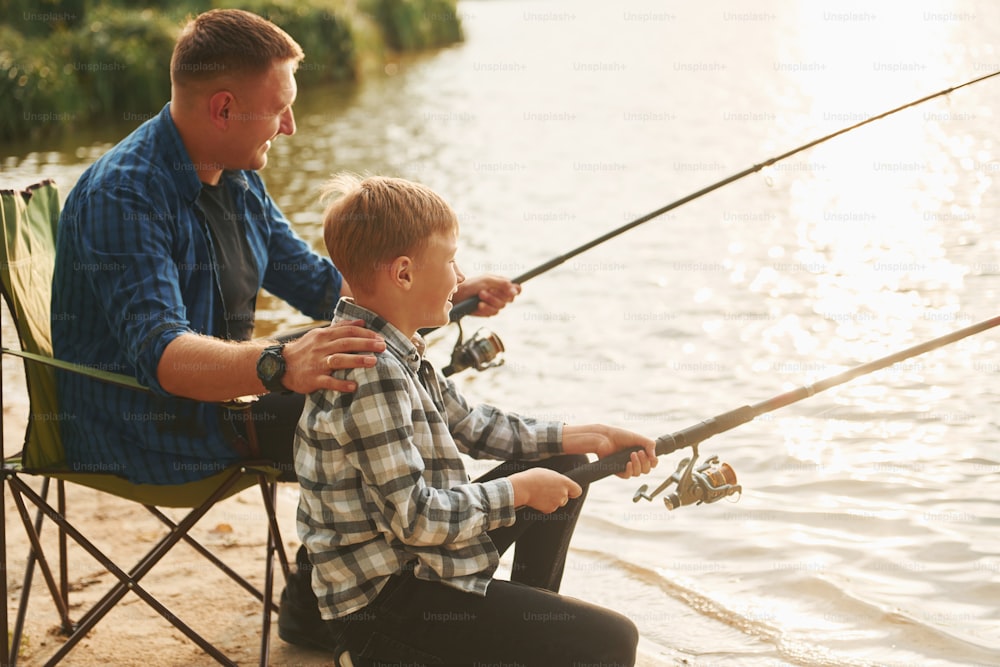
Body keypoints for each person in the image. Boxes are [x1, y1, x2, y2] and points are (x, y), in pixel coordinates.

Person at [50, 8, 519, 485]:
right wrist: (284, 363)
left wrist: (438, 291)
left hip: (226, 406)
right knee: (375, 402)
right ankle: (390, 547)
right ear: (224, 109)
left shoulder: (237, 177)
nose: (290, 126)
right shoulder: (123, 196)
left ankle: (355, 552)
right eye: (279, 109)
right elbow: (166, 359)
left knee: (376, 371)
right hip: (145, 433)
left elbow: (318, 285)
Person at [289, 173, 658, 666]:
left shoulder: (391, 345)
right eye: (450, 260)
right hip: (386, 609)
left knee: (565, 458)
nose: (460, 278)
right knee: (613, 641)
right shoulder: (368, 371)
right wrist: (520, 490)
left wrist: (597, 436)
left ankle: (529, 635)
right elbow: (417, 519)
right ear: (403, 274)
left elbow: (476, 425)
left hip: (416, 570)